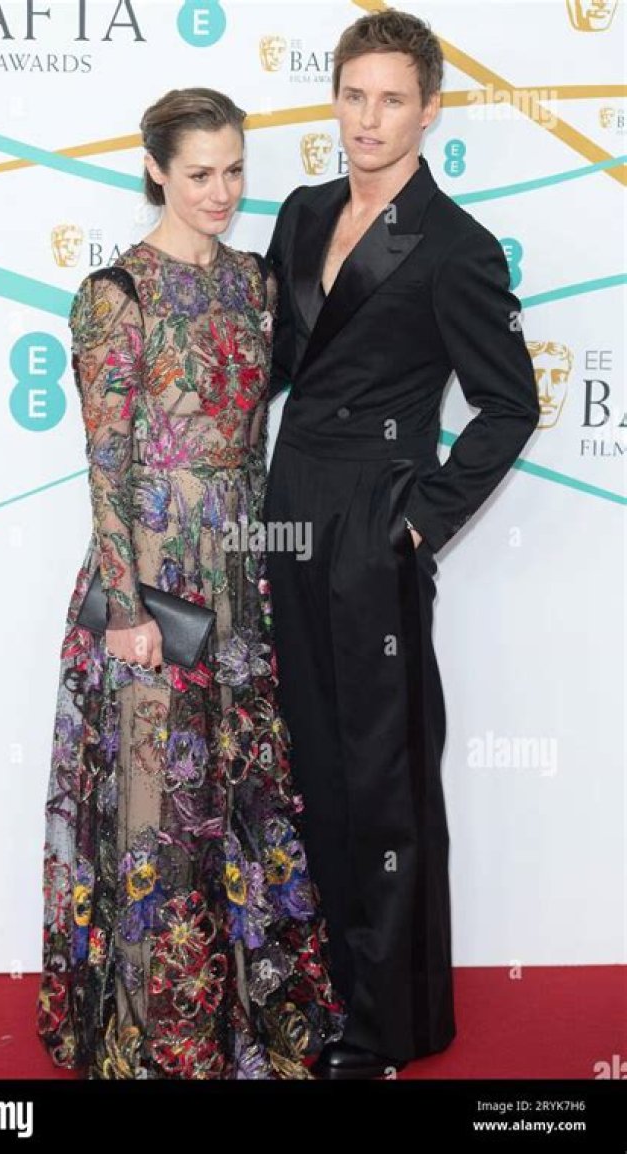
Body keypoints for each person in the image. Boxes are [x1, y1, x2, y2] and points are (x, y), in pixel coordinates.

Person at [36, 87, 345, 1080]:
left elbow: (260, 432)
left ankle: (243, 1008)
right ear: (156, 170)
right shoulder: (114, 295)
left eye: (235, 171)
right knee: (156, 809)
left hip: (241, 576)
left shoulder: (255, 284)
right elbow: (107, 465)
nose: (222, 191)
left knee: (240, 792)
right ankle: (156, 1030)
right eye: (200, 173)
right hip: (155, 587)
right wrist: (126, 611)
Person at [264, 10, 540, 1079]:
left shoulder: (456, 246)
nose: (368, 119)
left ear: (430, 110)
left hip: (373, 525)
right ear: (334, 98)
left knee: (384, 775)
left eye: (391, 99)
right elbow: (277, 361)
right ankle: (334, 988)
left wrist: (420, 518)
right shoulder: (303, 212)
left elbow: (509, 404)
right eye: (353, 95)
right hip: (288, 512)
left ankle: (389, 1023)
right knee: (312, 761)